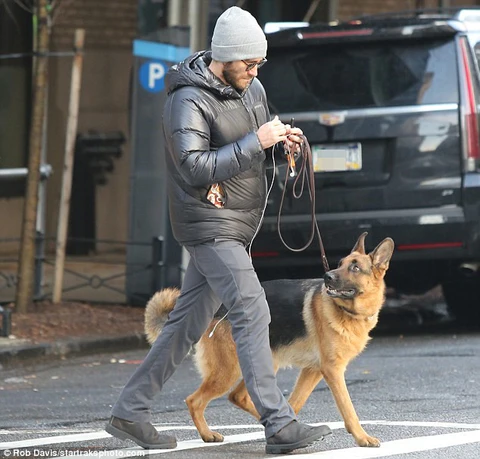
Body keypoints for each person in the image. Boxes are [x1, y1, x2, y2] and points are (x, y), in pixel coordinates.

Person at [106, 6, 332, 455]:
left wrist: (278, 146)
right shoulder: (185, 99)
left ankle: (130, 411)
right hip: (208, 225)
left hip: (236, 223)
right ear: (224, 57)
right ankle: (280, 424)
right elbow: (193, 165)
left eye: (258, 64)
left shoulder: (253, 89)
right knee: (253, 309)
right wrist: (257, 142)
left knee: (184, 327)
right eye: (248, 63)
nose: (254, 71)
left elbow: (249, 151)